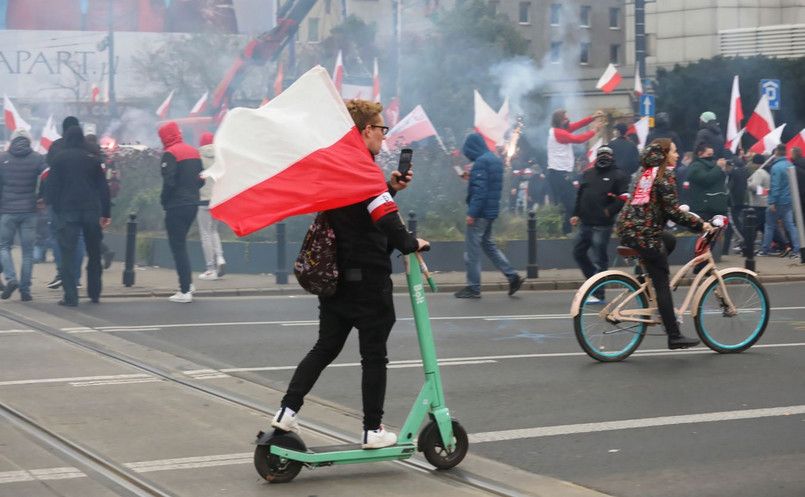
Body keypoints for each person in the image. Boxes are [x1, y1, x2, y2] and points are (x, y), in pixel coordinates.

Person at [271, 99, 428, 449]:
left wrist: (390, 188)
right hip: (368, 283)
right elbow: (385, 219)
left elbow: (362, 211)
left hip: (336, 280)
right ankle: (373, 430)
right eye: (382, 130)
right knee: (374, 356)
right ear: (367, 131)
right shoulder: (363, 170)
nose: (384, 138)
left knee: (324, 347)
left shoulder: (341, 169)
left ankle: (287, 410)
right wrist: (410, 242)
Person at [616, 138, 712, 350]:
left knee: (669, 240)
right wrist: (700, 225)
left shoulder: (645, 172)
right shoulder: (664, 175)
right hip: (645, 233)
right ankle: (674, 336)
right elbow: (672, 211)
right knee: (662, 282)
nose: (677, 155)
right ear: (664, 154)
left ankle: (644, 274)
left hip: (629, 229)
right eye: (674, 151)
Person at [45, 126, 110, 306]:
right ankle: (95, 292)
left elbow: (51, 187)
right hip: (91, 210)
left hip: (68, 210)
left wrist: (55, 207)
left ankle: (71, 296)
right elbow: (103, 188)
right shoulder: (93, 159)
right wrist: (106, 212)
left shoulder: (59, 159)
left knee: (67, 253)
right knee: (94, 252)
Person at [454, 133, 524, 299]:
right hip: (491, 211)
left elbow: (480, 191)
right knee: (489, 245)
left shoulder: (480, 162)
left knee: (472, 251)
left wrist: (472, 213)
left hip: (480, 213)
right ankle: (512, 276)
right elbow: (488, 184)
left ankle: (474, 287)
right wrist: (471, 178)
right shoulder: (494, 160)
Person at [569, 146, 629, 302]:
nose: (603, 157)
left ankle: (598, 293)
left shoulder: (618, 175)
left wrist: (610, 211)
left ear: (612, 157)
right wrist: (575, 213)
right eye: (600, 154)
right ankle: (593, 283)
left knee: (599, 259)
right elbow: (580, 195)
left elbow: (624, 197)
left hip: (602, 225)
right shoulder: (588, 173)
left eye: (606, 154)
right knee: (578, 253)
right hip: (585, 223)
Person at [158, 122, 204, 303]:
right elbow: (201, 179)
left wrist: (164, 201)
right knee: (182, 245)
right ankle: (189, 283)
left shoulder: (170, 154)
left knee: (178, 247)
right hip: (193, 203)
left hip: (176, 205)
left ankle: (185, 290)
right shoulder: (193, 151)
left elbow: (168, 182)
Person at [0, 128, 47, 301]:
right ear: (29, 141)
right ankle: (25, 291)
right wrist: (42, 197)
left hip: (7, 211)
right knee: (28, 252)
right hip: (29, 210)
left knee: (4, 246)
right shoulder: (37, 158)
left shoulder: (2, 158)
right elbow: (46, 177)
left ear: (12, 141)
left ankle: (11, 278)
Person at [547, 109, 603, 234]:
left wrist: (592, 117)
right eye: (566, 119)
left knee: (572, 202)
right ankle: (571, 230)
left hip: (560, 173)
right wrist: (594, 130)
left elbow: (577, 125)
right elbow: (579, 139)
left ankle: (566, 231)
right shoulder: (560, 133)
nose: (568, 120)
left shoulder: (559, 131)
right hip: (559, 174)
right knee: (572, 202)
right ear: (560, 121)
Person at [759, 144, 800, 258]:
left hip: (778, 202)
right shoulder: (790, 165)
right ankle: (797, 249)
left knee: (769, 225)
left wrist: (772, 202)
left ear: (777, 152)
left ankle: (765, 249)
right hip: (788, 200)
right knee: (790, 226)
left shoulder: (776, 167)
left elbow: (775, 186)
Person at [196, 132, 226, 280]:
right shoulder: (219, 158)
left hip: (203, 200)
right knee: (214, 230)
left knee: (205, 233)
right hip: (217, 200)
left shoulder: (198, 158)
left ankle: (210, 269)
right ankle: (220, 258)